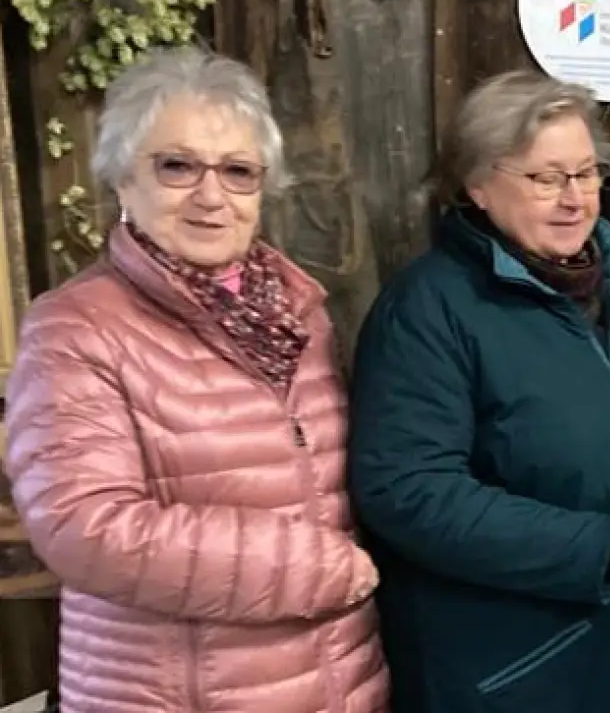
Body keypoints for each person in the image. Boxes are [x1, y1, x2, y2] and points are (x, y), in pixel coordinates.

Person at [3, 47, 388, 713]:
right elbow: (85, 527)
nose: (212, 195)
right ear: (123, 176)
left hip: (335, 681)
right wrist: (319, 568)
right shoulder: (75, 328)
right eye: (177, 166)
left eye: (239, 172)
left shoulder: (298, 314)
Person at [346, 71, 610, 713]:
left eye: (587, 173)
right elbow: (408, 492)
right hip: (524, 668)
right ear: (478, 185)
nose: (575, 198)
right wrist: (600, 550)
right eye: (546, 179)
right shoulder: (431, 309)